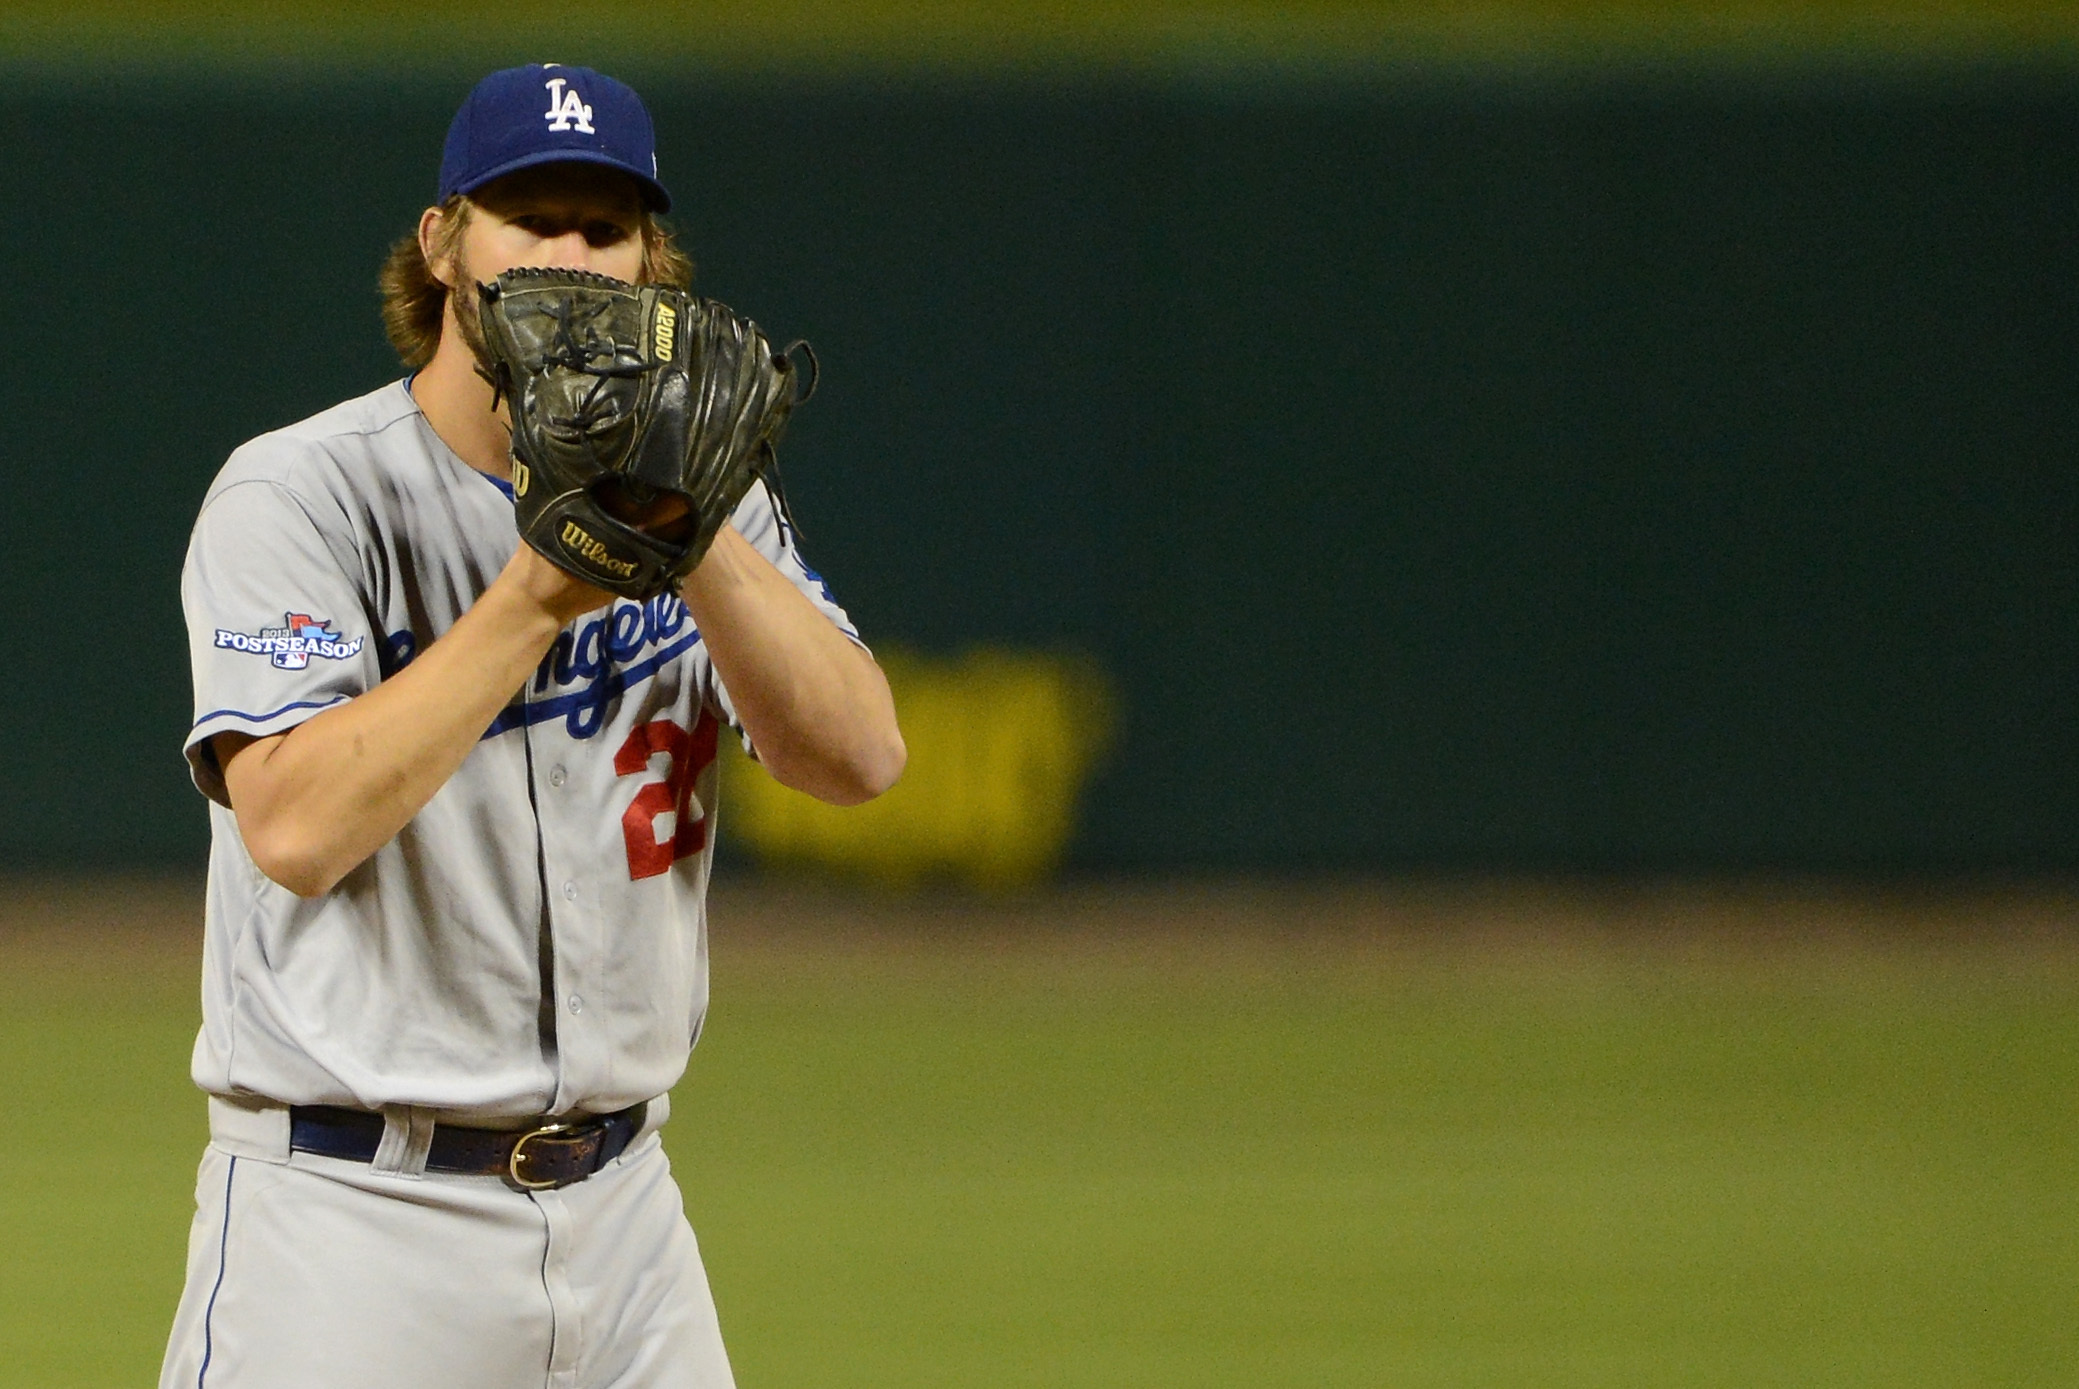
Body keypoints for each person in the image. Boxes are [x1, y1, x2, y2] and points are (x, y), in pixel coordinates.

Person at [159, 64, 903, 1389]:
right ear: (444, 245)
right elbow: (293, 824)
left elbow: (857, 757)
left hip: (628, 1223)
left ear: (652, 261)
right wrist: (535, 591)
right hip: (351, 1229)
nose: (568, 253)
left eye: (603, 226)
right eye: (531, 216)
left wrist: (696, 528)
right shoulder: (304, 495)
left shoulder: (708, 498)